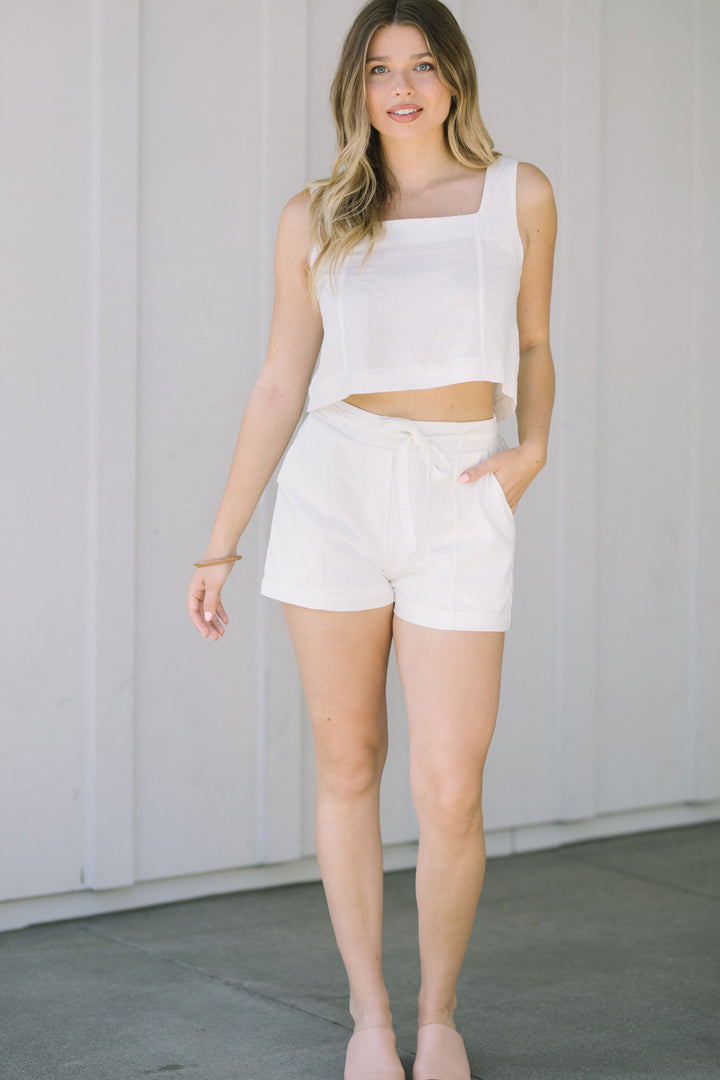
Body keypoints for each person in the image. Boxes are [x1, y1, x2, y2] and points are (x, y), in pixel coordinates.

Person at [187, 1, 556, 1077]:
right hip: (334, 488)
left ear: (456, 80)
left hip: (461, 492)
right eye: (380, 69)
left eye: (423, 66)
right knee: (349, 761)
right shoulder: (317, 214)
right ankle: (372, 1019)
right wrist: (220, 543)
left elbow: (534, 344)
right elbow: (277, 384)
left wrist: (529, 452)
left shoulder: (515, 194)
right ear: (355, 86)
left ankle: (439, 1017)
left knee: (450, 786)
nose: (402, 88)